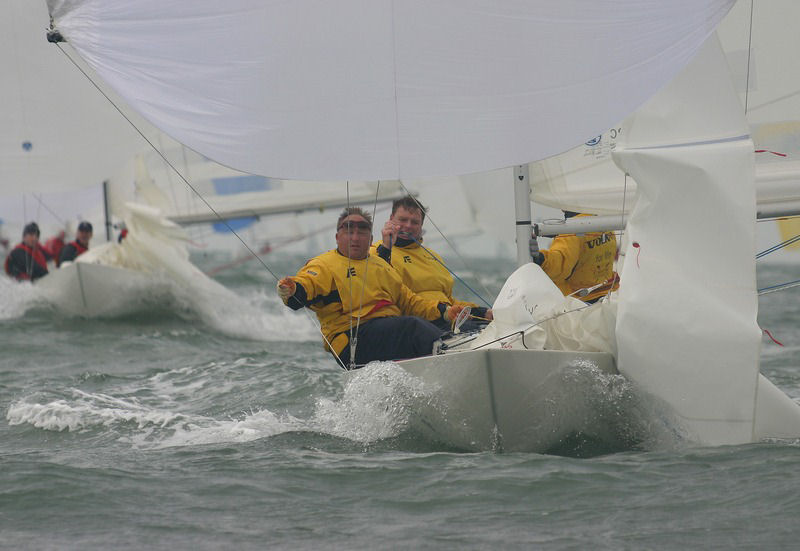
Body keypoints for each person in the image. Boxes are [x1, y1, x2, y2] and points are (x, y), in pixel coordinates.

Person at [277, 207, 463, 369]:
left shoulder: (381, 266)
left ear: (371, 238)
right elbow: (305, 286)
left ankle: (451, 354)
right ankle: (457, 355)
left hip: (385, 332)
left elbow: (410, 302)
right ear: (337, 237)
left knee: (442, 326)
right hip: (351, 342)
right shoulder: (324, 265)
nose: (356, 238)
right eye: (349, 232)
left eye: (362, 232)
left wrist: (445, 312)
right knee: (412, 327)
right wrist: (292, 290)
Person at [373, 196, 492, 331]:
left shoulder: (433, 256)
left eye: (415, 222)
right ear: (391, 219)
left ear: (421, 225)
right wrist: (386, 247)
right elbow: (387, 289)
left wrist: (482, 312)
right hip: (415, 323)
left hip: (446, 318)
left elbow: (448, 301)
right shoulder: (378, 253)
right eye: (403, 220)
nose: (408, 226)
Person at [530, 211, 619, 303]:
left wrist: (540, 259)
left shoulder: (572, 229)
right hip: (609, 296)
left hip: (580, 303)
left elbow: (560, 264)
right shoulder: (604, 222)